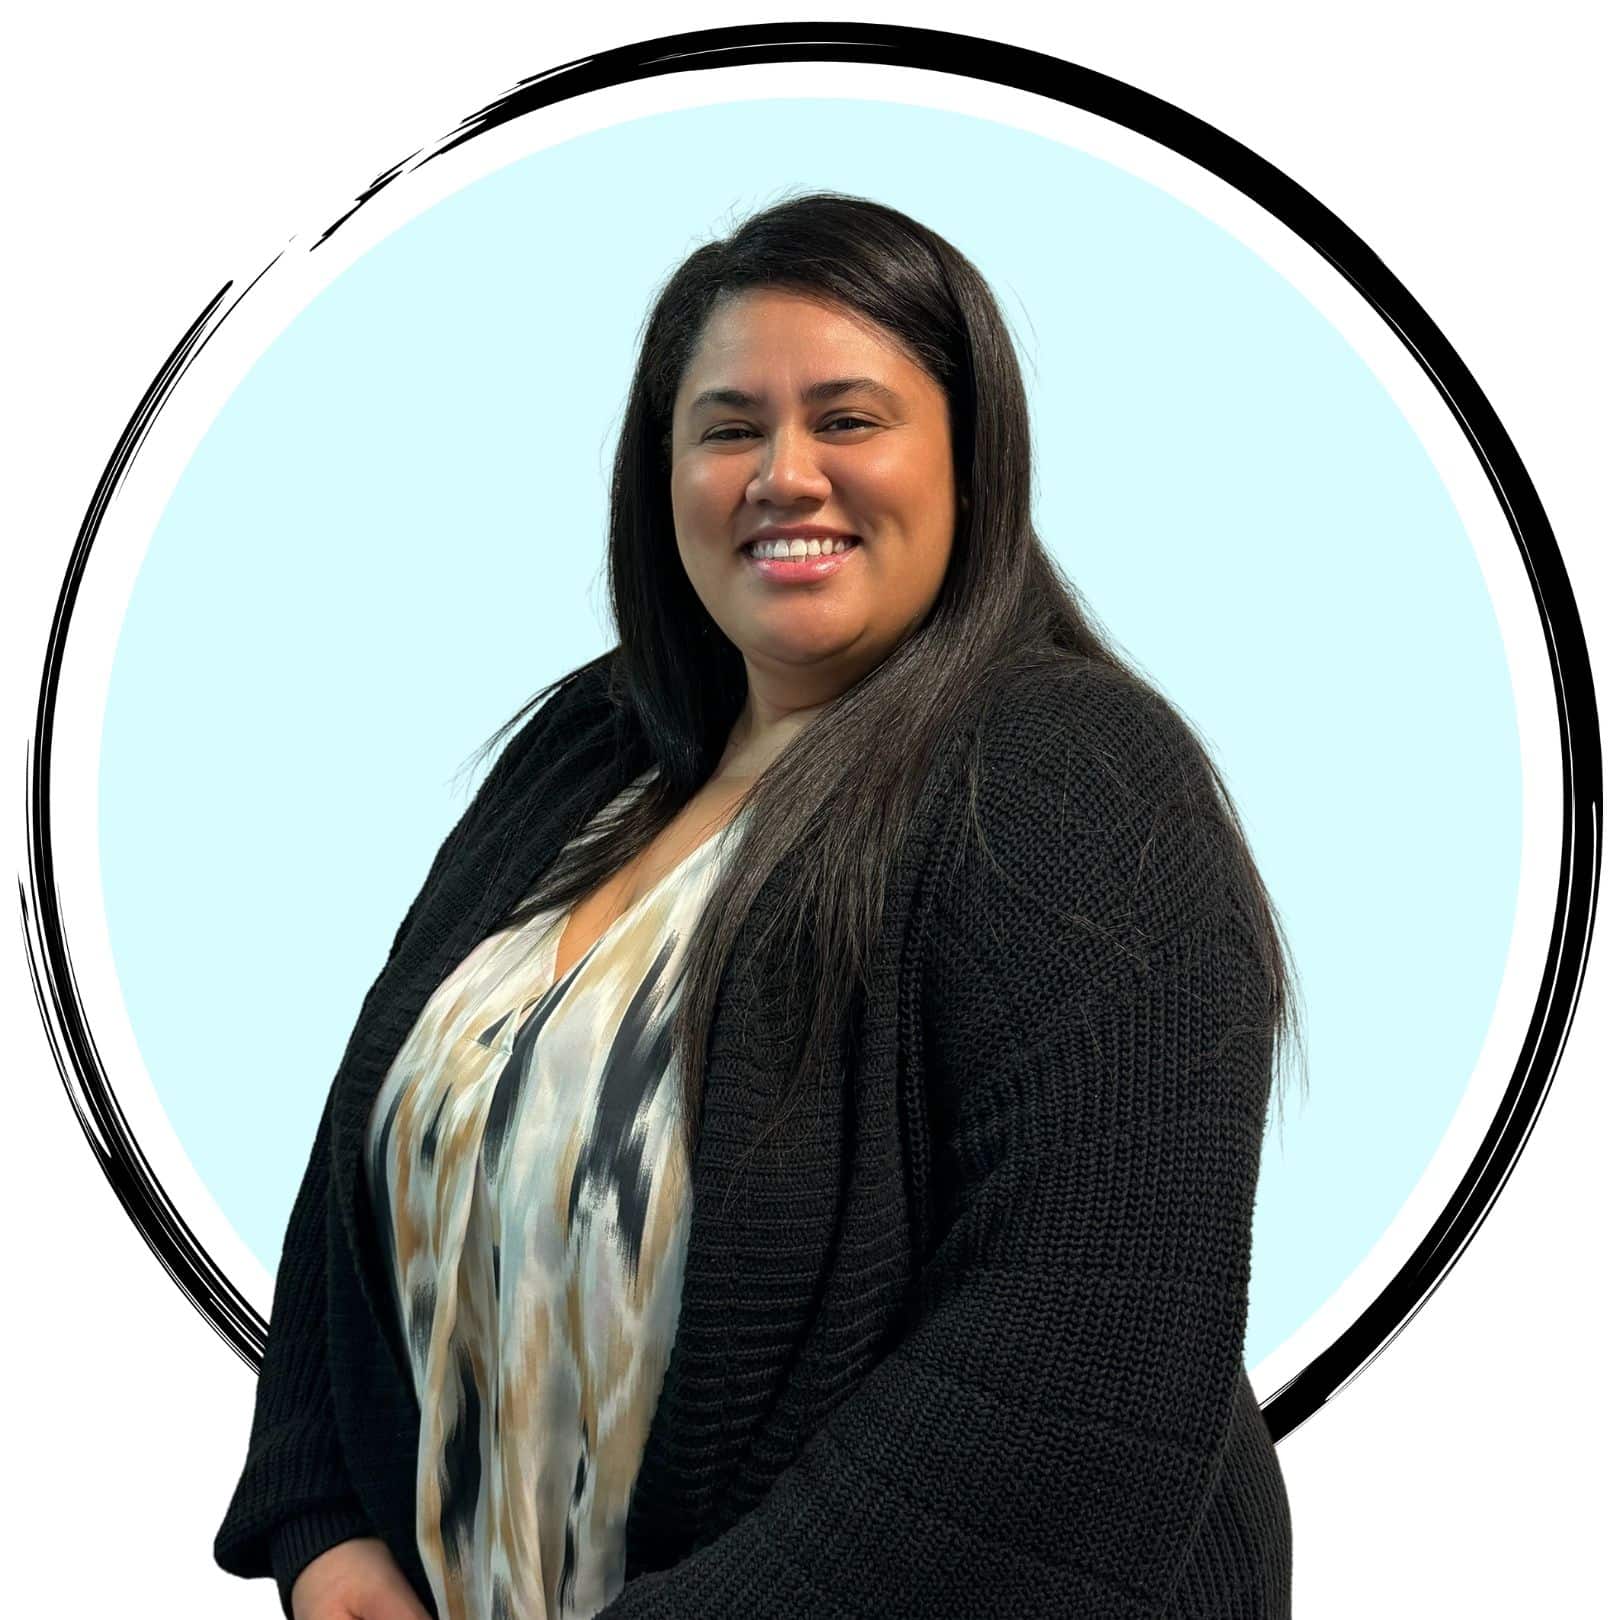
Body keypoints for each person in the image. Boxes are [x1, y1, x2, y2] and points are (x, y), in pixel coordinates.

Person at [214, 188, 1303, 1620]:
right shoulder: (591, 749)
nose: (785, 473)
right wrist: (325, 1519)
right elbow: (387, 1120)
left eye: (850, 420)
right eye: (730, 428)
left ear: (973, 465)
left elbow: (1079, 1363)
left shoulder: (1071, 779)